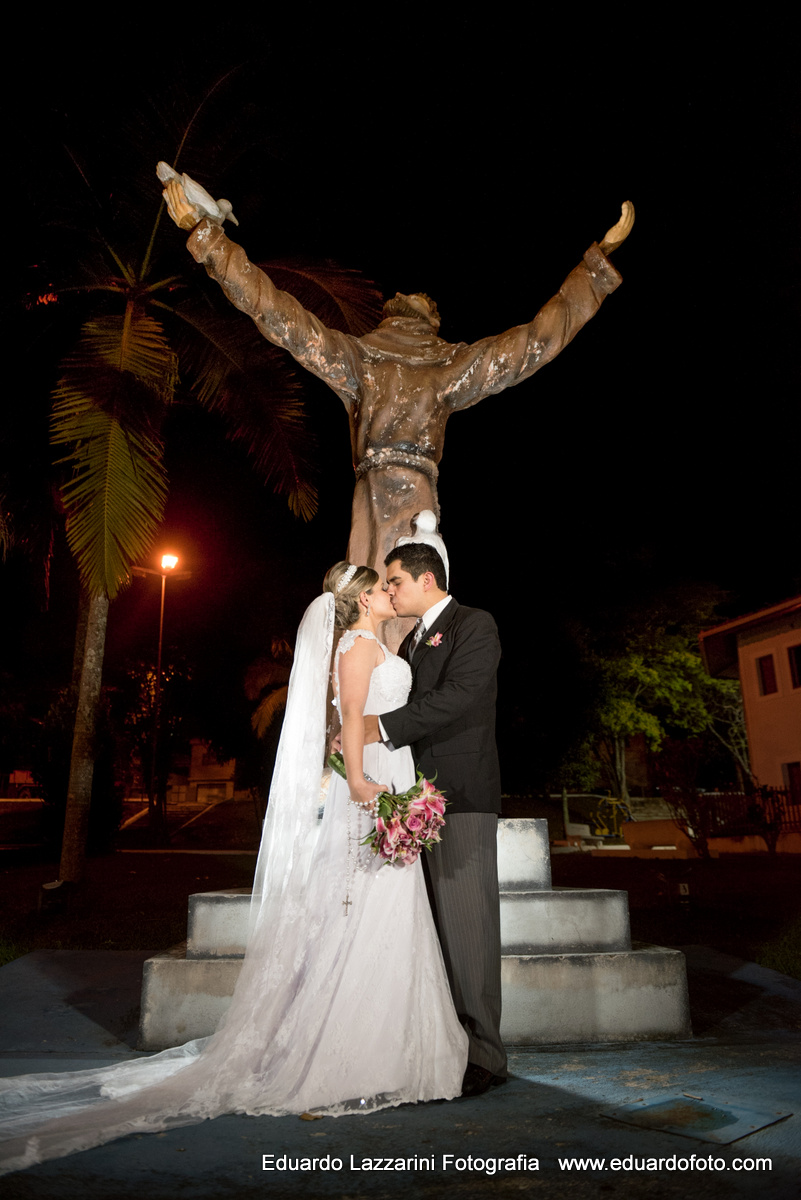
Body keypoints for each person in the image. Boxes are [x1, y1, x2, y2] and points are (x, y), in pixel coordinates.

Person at [0, 564, 467, 1176]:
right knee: (363, 912)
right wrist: (359, 783)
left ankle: (401, 1052)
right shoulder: (356, 647)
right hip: (370, 788)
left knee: (392, 913)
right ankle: (351, 1055)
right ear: (358, 602)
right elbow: (349, 718)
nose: (389, 593)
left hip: (394, 775)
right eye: (381, 588)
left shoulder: (382, 644)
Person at [162, 176, 633, 582]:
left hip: (407, 497)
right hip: (383, 493)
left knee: (395, 601)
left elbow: (534, 343)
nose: (415, 294)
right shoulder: (365, 357)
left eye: (426, 299)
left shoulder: (444, 364)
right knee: (380, 604)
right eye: (411, 294)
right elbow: (277, 313)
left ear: (432, 320)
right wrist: (209, 239)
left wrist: (597, 266)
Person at [365, 540, 505, 1097]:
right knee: (435, 931)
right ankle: (446, 1044)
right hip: (413, 798)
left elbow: (461, 696)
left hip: (460, 794)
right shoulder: (412, 638)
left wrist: (379, 727)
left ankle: (487, 1056)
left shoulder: (475, 624)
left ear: (427, 579)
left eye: (394, 580)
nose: (390, 591)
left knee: (468, 927)